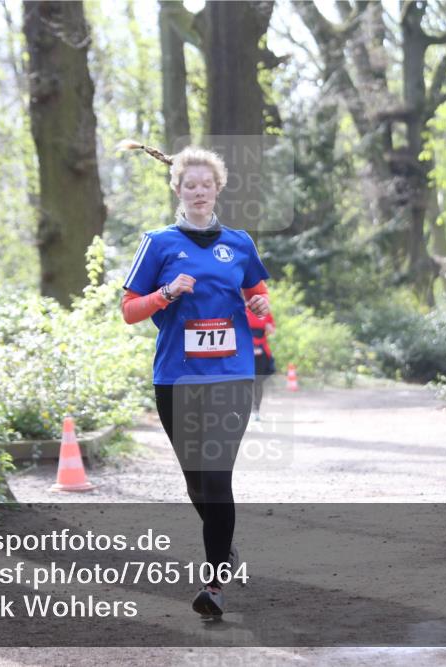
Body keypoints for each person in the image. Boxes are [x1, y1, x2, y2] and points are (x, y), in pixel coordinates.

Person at [118, 140, 271, 618]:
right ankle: (223, 545)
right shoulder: (158, 243)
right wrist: (164, 293)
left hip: (230, 376)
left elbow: (260, 303)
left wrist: (262, 309)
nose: (199, 191)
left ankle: (215, 585)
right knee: (196, 482)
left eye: (207, 184)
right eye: (191, 184)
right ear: (178, 189)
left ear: (218, 188)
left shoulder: (240, 244)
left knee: (217, 476)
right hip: (176, 379)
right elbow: (128, 311)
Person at [246, 305, 276, 421]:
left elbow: (271, 330)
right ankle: (242, 410)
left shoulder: (265, 311)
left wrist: (269, 328)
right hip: (246, 348)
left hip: (262, 350)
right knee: (244, 381)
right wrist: (251, 347)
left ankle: (256, 410)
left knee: (258, 381)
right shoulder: (242, 310)